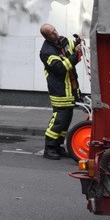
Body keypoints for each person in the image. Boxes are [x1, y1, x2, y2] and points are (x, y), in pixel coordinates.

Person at [39, 23, 82, 160]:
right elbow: (61, 68)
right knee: (59, 119)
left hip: (70, 88)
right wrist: (77, 54)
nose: (55, 33)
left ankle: (58, 145)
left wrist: (78, 43)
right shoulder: (46, 52)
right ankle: (49, 147)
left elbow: (73, 47)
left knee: (66, 119)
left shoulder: (63, 41)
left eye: (54, 30)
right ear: (46, 36)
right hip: (60, 90)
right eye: (51, 33)